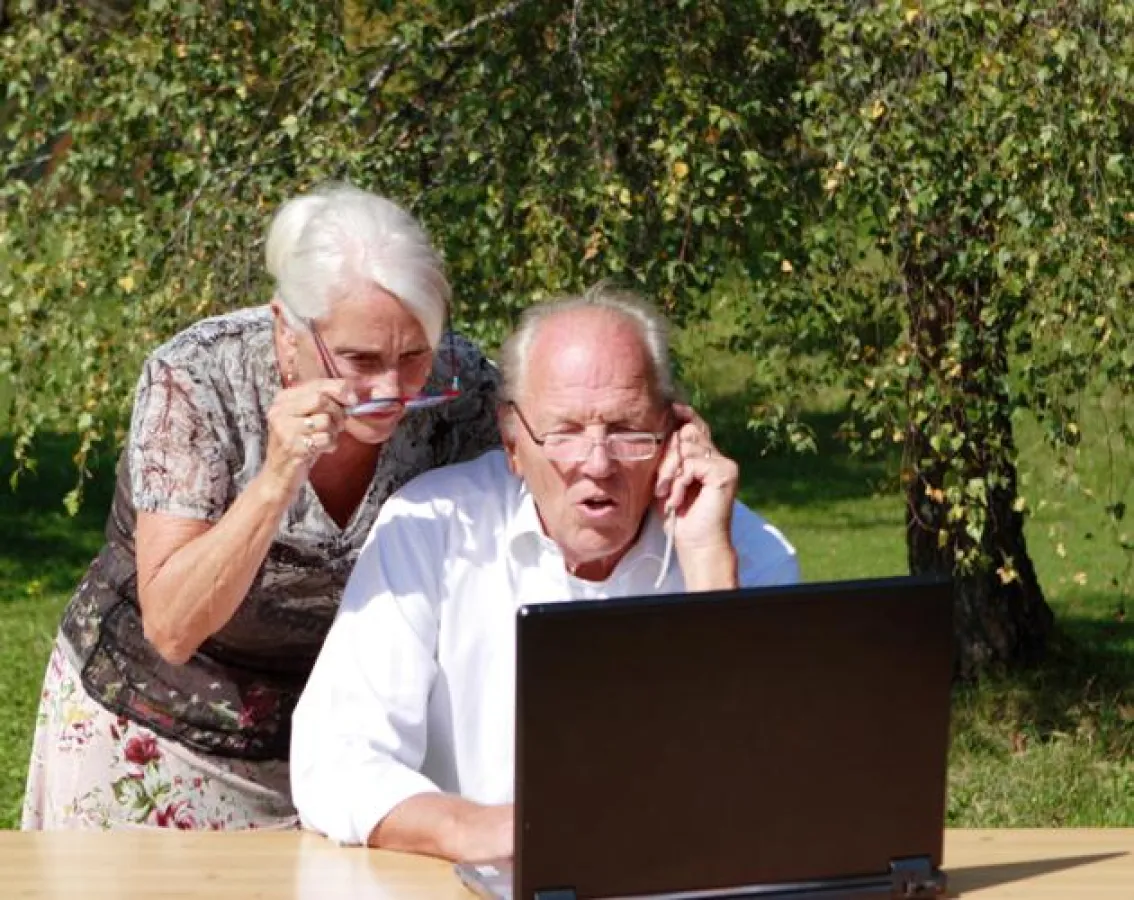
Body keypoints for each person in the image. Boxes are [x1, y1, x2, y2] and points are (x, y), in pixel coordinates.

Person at [21, 183, 501, 831]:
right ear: (286, 331)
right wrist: (278, 475)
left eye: (413, 355)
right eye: (360, 359)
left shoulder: (463, 387)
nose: (391, 388)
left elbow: (562, 471)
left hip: (350, 755)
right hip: (162, 738)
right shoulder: (196, 377)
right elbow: (172, 624)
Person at [290, 284, 799, 860]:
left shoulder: (743, 552)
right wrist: (484, 830)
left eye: (627, 430)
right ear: (512, 442)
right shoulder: (432, 527)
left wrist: (707, 561)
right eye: (564, 433)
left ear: (672, 431)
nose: (597, 463)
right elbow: (334, 761)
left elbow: (768, 786)